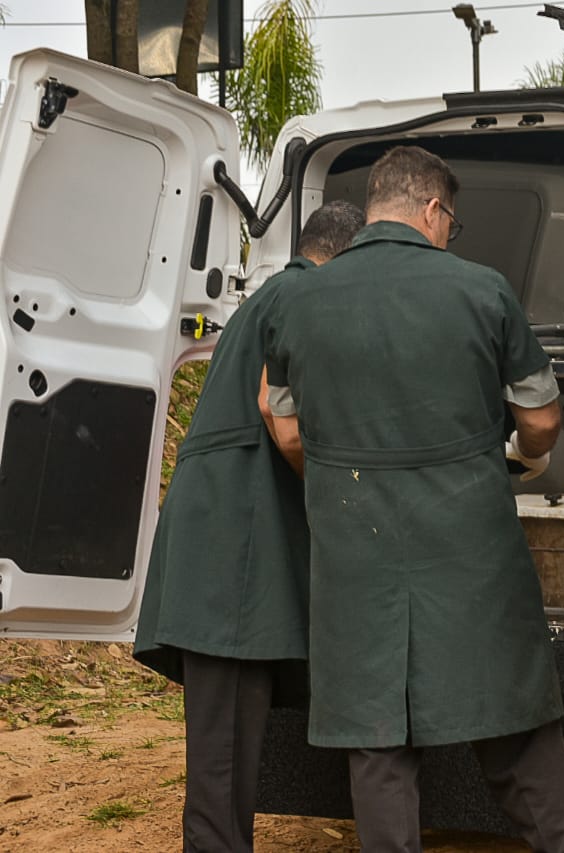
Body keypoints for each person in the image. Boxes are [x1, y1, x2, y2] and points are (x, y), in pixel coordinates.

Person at [261, 146, 564, 853]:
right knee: (517, 730)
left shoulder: (297, 299)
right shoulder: (484, 291)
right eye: (450, 222)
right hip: (471, 551)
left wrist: (336, 479)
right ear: (433, 210)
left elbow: (280, 417)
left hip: (356, 557)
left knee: (378, 749)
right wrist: (521, 460)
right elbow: (543, 418)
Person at [133, 200, 366, 852]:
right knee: (224, 766)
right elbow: (277, 408)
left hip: (224, 543)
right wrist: (338, 494)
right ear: (343, 257)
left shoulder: (270, 296)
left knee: (226, 754)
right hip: (233, 554)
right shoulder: (304, 294)